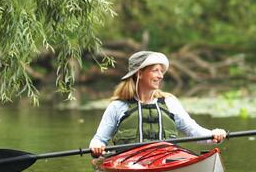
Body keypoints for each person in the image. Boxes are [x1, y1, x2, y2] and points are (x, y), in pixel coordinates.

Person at [89, 51, 226, 157]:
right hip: (128, 163)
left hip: (166, 161)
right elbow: (99, 139)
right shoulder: (117, 106)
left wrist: (214, 134)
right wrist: (96, 147)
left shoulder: (170, 103)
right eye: (155, 70)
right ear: (139, 74)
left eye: (161, 71)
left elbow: (194, 132)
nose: (161, 76)